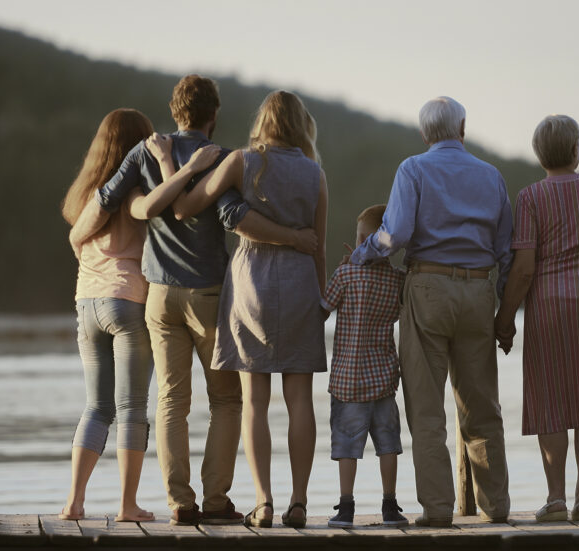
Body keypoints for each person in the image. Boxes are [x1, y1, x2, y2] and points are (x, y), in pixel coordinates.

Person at [70, 75, 319, 526]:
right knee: (226, 400)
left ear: (174, 109)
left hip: (159, 293)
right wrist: (295, 239)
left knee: (170, 399)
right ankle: (217, 500)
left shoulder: (145, 151)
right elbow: (231, 215)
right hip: (209, 291)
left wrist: (78, 234)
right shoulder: (221, 158)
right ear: (214, 114)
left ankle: (179, 502)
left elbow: (110, 198)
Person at [167, 90, 327, 529]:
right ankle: (299, 502)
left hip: (251, 279)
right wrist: (321, 299)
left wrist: (179, 171)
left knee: (255, 401)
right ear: (300, 124)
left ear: (264, 122)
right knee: (300, 401)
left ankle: (264, 502)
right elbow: (319, 246)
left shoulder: (241, 161)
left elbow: (187, 207)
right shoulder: (315, 174)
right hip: (299, 283)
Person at [350, 96, 513, 526]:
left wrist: (361, 254)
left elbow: (396, 233)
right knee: (481, 406)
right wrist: (506, 309)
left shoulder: (413, 169)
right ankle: (496, 507)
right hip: (479, 290)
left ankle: (439, 510)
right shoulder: (491, 175)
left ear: (425, 134)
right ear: (462, 129)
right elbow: (506, 251)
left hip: (427, 287)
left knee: (426, 409)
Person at [494, 114, 579, 522]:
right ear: (576, 150)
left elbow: (522, 270)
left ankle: (556, 497)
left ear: (539, 156)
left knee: (550, 398)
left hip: (551, 305)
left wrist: (505, 320)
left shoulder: (531, 198)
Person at [59, 108, 156, 522]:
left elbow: (76, 237)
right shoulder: (139, 192)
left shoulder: (87, 192)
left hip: (87, 303)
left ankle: (74, 502)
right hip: (129, 299)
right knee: (132, 407)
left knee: (96, 406)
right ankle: (127, 506)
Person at [321, 204, 408, 529]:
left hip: (347, 380)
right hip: (384, 378)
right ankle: (389, 506)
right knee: (388, 443)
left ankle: (346, 508)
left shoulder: (345, 274)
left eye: (360, 239)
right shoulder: (398, 281)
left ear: (365, 241)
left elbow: (323, 309)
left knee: (346, 445)